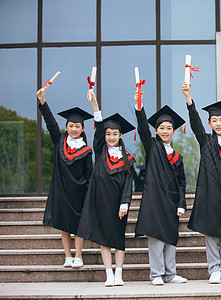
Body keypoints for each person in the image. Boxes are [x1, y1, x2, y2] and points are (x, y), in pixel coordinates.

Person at [181, 82, 221, 284]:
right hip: (209, 195)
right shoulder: (206, 142)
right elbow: (195, 124)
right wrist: (188, 99)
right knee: (211, 234)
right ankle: (214, 269)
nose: (218, 123)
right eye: (214, 120)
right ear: (209, 124)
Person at [77, 91, 135, 287]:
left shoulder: (127, 157)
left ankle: (119, 274)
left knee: (118, 238)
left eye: (114, 134)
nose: (111, 137)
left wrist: (125, 203)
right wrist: (95, 107)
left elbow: (128, 183)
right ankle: (108, 274)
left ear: (120, 135)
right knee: (104, 239)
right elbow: (98, 127)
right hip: (101, 202)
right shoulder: (100, 150)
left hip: (119, 204)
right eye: (108, 134)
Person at [133, 91, 188, 285]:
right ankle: (156, 274)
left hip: (172, 201)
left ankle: (170, 274)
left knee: (171, 237)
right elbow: (142, 129)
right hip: (155, 200)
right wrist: (139, 107)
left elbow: (182, 182)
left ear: (174, 132)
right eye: (161, 128)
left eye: (169, 128)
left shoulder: (178, 157)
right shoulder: (153, 147)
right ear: (156, 131)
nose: (165, 131)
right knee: (156, 238)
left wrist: (182, 204)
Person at [36, 89, 93, 269]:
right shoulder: (60, 141)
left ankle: (78, 256)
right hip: (61, 191)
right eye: (71, 126)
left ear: (83, 128)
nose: (74, 129)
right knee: (64, 225)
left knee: (78, 226)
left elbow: (89, 175)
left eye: (77, 126)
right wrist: (43, 102)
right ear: (67, 127)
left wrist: (88, 195)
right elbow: (51, 124)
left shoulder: (86, 150)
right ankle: (68, 256)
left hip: (79, 191)